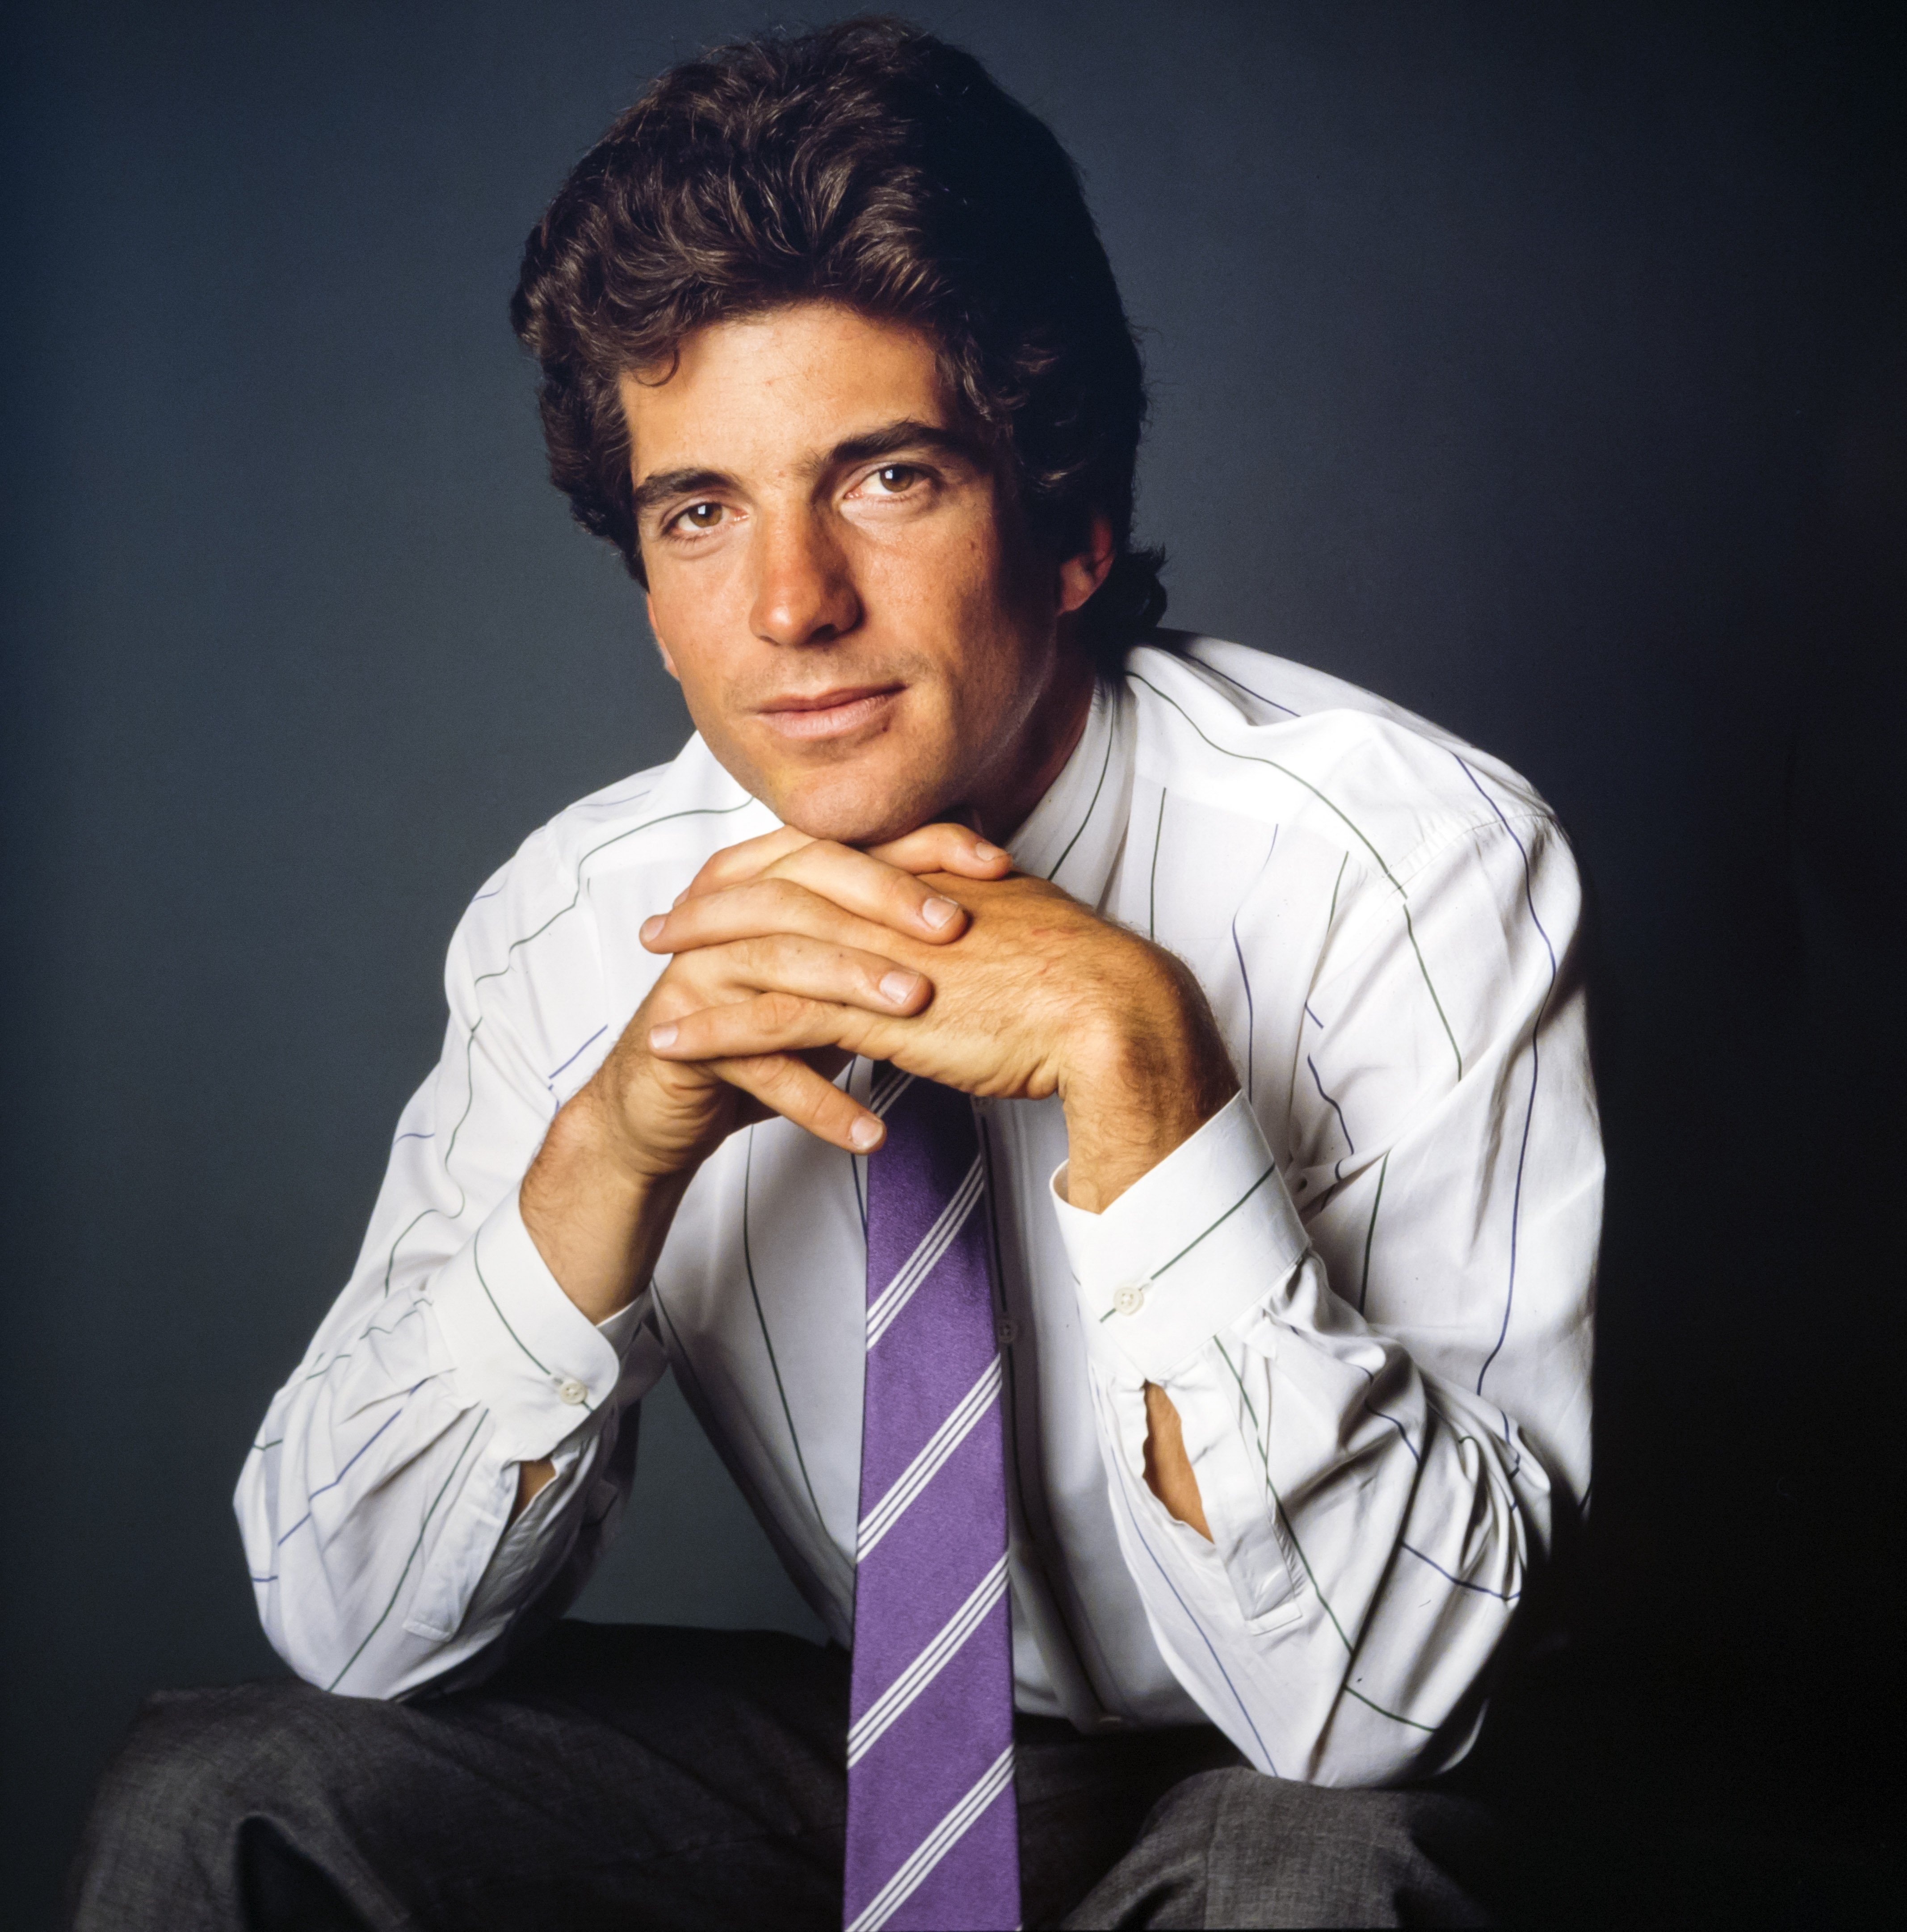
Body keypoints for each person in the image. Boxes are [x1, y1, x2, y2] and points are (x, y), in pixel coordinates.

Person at [71, 18, 1599, 1930]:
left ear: (1066, 520)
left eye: (884, 478)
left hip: (1303, 1751)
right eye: (697, 511)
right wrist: (609, 1152)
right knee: (229, 1798)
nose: (786, 605)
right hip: (903, 1743)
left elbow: (1381, 1695)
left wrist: (1146, 1080)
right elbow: (352, 1624)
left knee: (1318, 1874)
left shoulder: (1404, 861)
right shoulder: (580, 920)